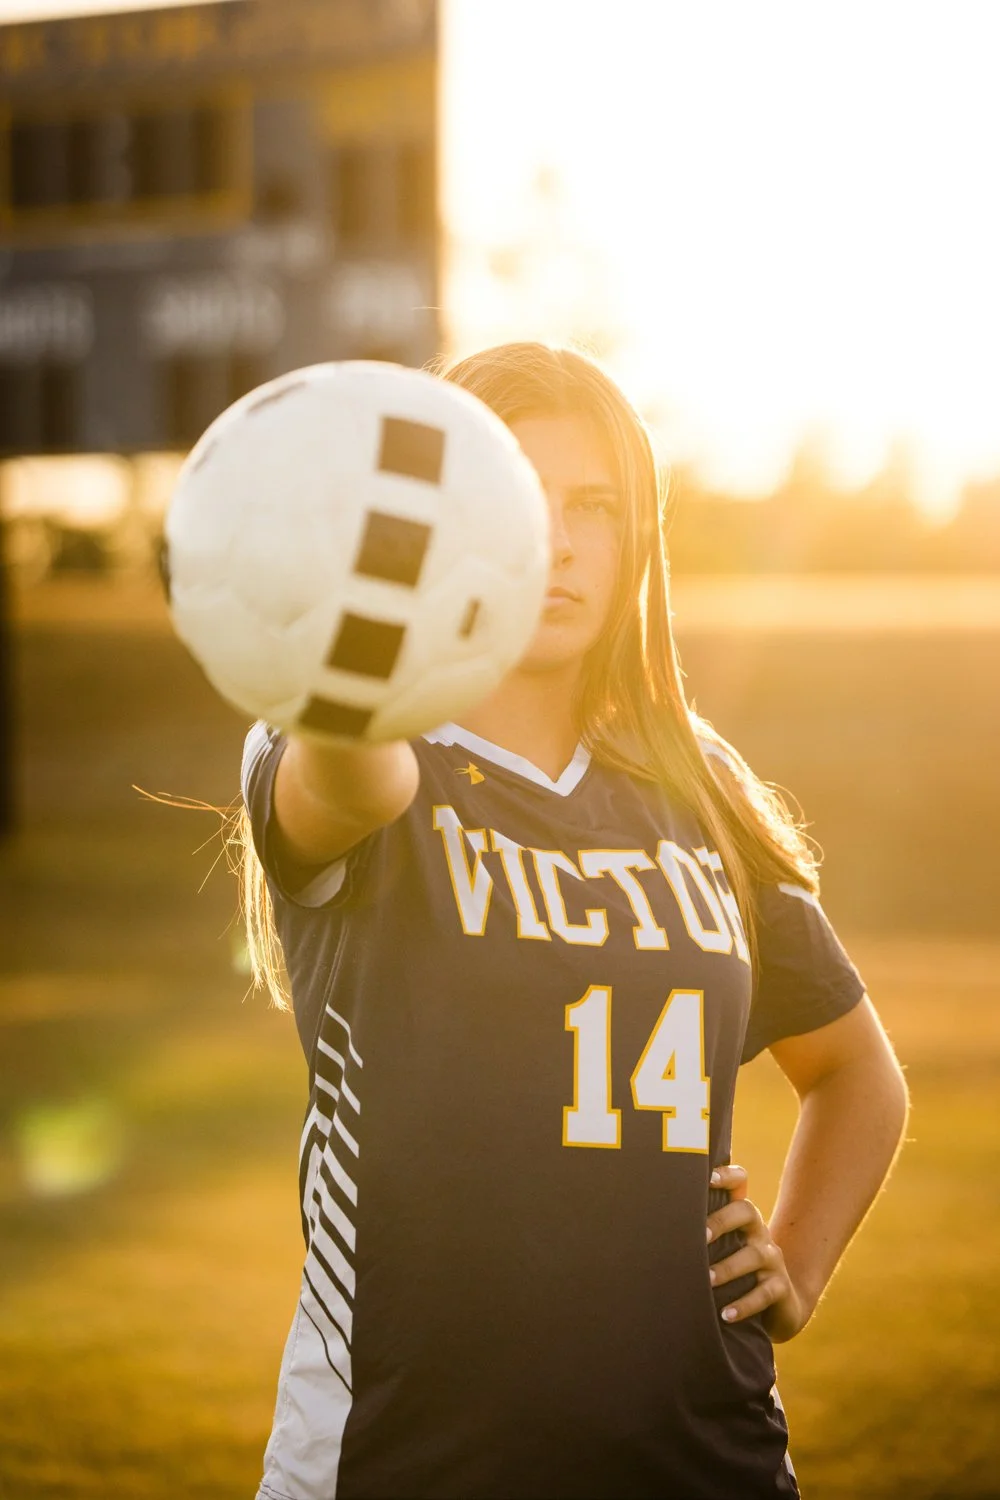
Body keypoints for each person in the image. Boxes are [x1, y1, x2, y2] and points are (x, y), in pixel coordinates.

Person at [237, 342, 908, 1500]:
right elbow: (356, 781)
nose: (555, 540)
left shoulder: (692, 782)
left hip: (707, 1454)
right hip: (403, 1455)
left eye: (591, 505)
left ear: (636, 536)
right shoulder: (359, 742)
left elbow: (854, 1070)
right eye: (509, 497)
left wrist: (793, 1261)